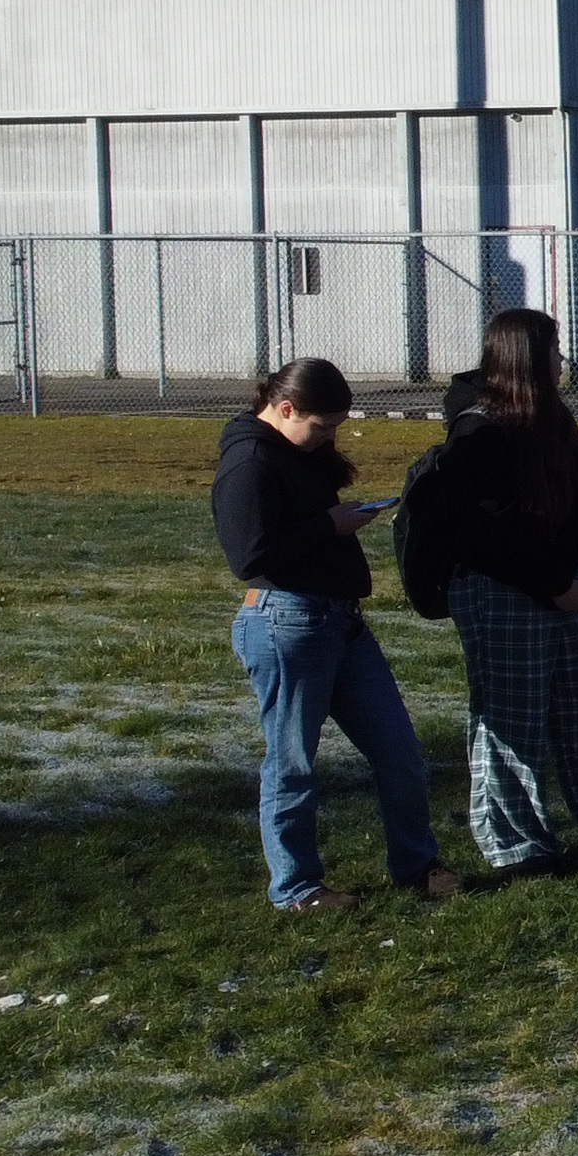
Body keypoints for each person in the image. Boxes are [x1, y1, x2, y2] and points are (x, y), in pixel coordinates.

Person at [215, 357, 456, 911]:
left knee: (399, 751)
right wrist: (329, 525)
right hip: (285, 623)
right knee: (293, 761)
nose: (329, 438)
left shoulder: (301, 450)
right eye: (321, 427)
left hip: (340, 621)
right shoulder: (248, 461)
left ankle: (417, 865)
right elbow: (248, 554)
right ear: (284, 408)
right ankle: (296, 887)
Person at [429, 308, 578, 874]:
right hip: (504, 592)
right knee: (513, 718)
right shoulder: (478, 428)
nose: (562, 361)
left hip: (565, 590)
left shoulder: (553, 417)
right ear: (525, 358)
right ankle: (517, 844)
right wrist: (554, 582)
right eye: (554, 351)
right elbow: (483, 534)